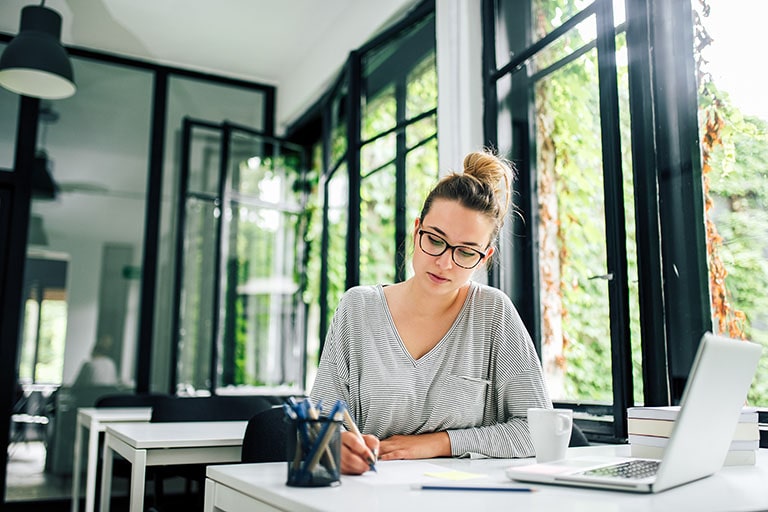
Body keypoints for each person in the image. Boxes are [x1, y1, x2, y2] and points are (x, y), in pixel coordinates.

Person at [309, 148, 553, 475]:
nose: (445, 262)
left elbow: (539, 431)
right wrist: (332, 445)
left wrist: (441, 443)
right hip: (369, 493)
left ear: (484, 257)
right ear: (416, 230)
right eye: (435, 240)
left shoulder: (493, 313)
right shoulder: (358, 308)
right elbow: (318, 422)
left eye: (466, 252)